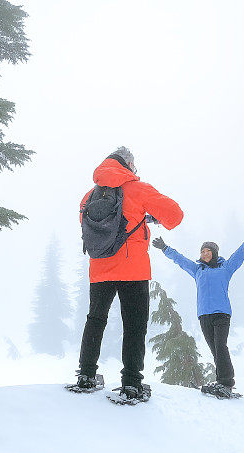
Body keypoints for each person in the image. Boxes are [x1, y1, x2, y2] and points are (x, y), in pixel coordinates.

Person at [69, 147, 184, 403]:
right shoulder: (138, 189)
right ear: (128, 164)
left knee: (95, 320)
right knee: (134, 326)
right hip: (133, 269)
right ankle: (131, 384)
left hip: (100, 269)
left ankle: (86, 376)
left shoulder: (89, 196)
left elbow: (87, 225)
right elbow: (175, 216)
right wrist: (148, 216)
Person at [152, 223, 244, 398]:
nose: (204, 253)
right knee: (215, 349)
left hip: (221, 313)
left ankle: (226, 382)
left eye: (208, 251)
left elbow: (243, 249)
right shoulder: (197, 270)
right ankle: (222, 381)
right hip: (204, 315)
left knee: (220, 346)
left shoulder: (226, 267)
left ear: (214, 253)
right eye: (202, 251)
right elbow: (180, 260)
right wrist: (165, 248)